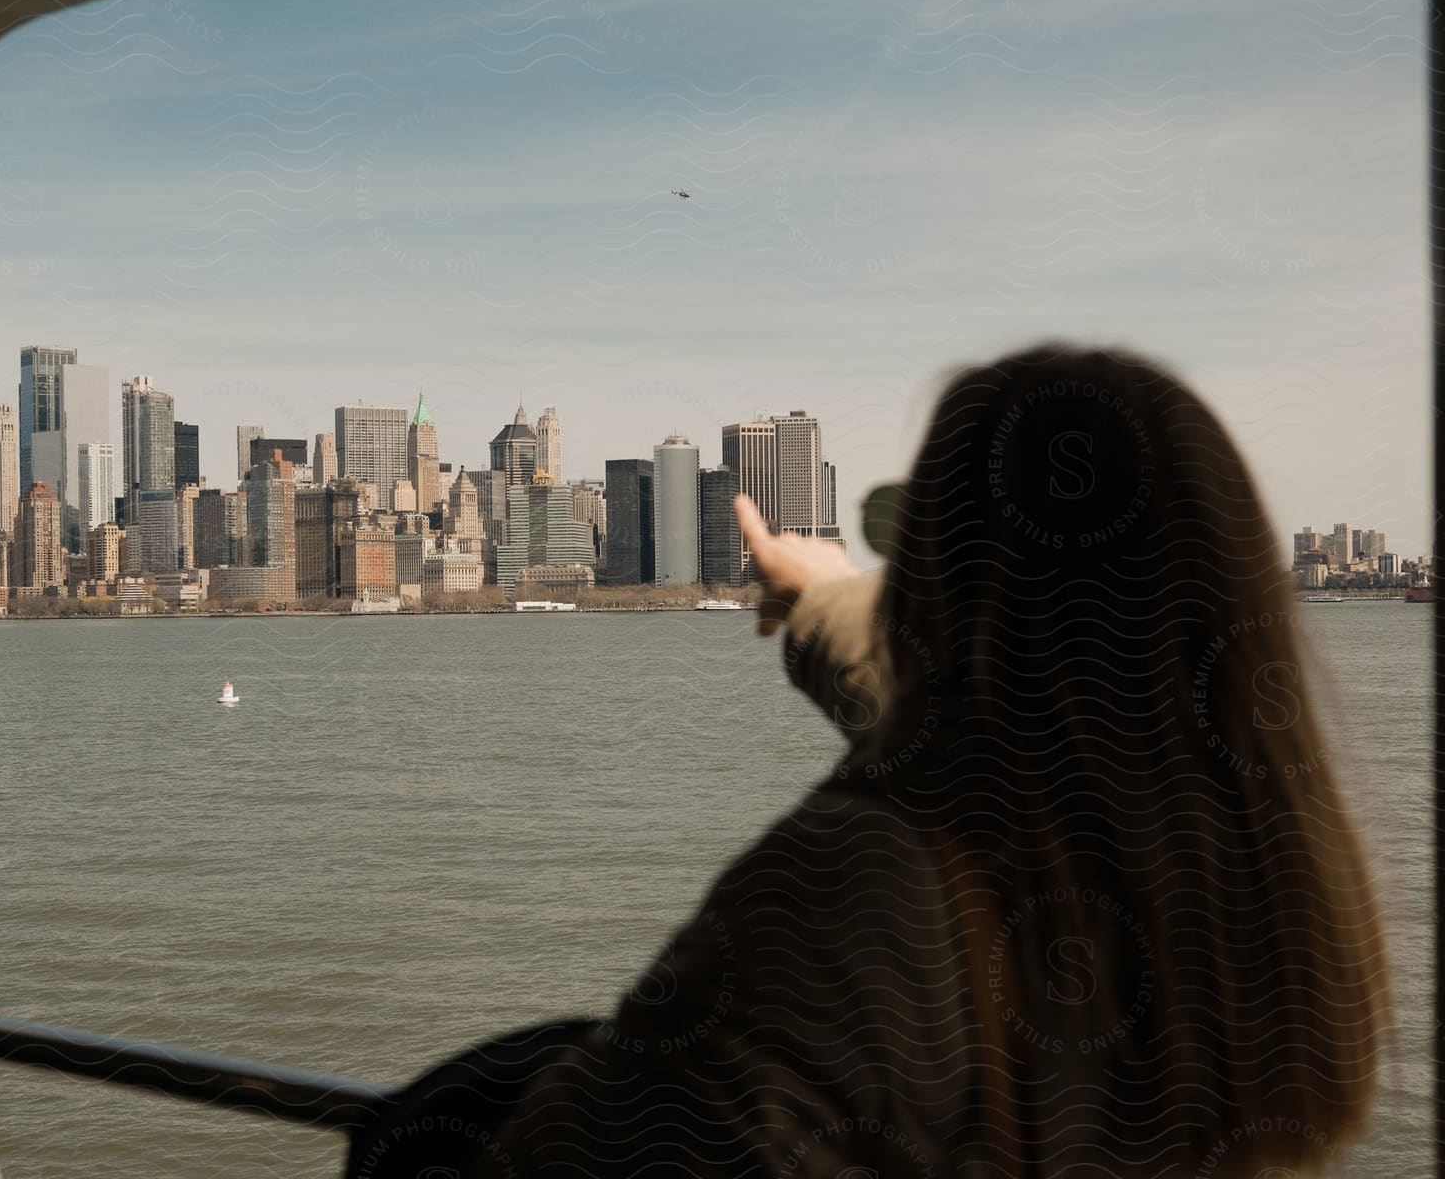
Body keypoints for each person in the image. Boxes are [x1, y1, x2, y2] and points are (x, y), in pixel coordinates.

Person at [346, 343, 1387, 1178]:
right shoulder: (1274, 891)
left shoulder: (857, 890)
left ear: (936, 575)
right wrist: (828, 597)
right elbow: (1019, 742)